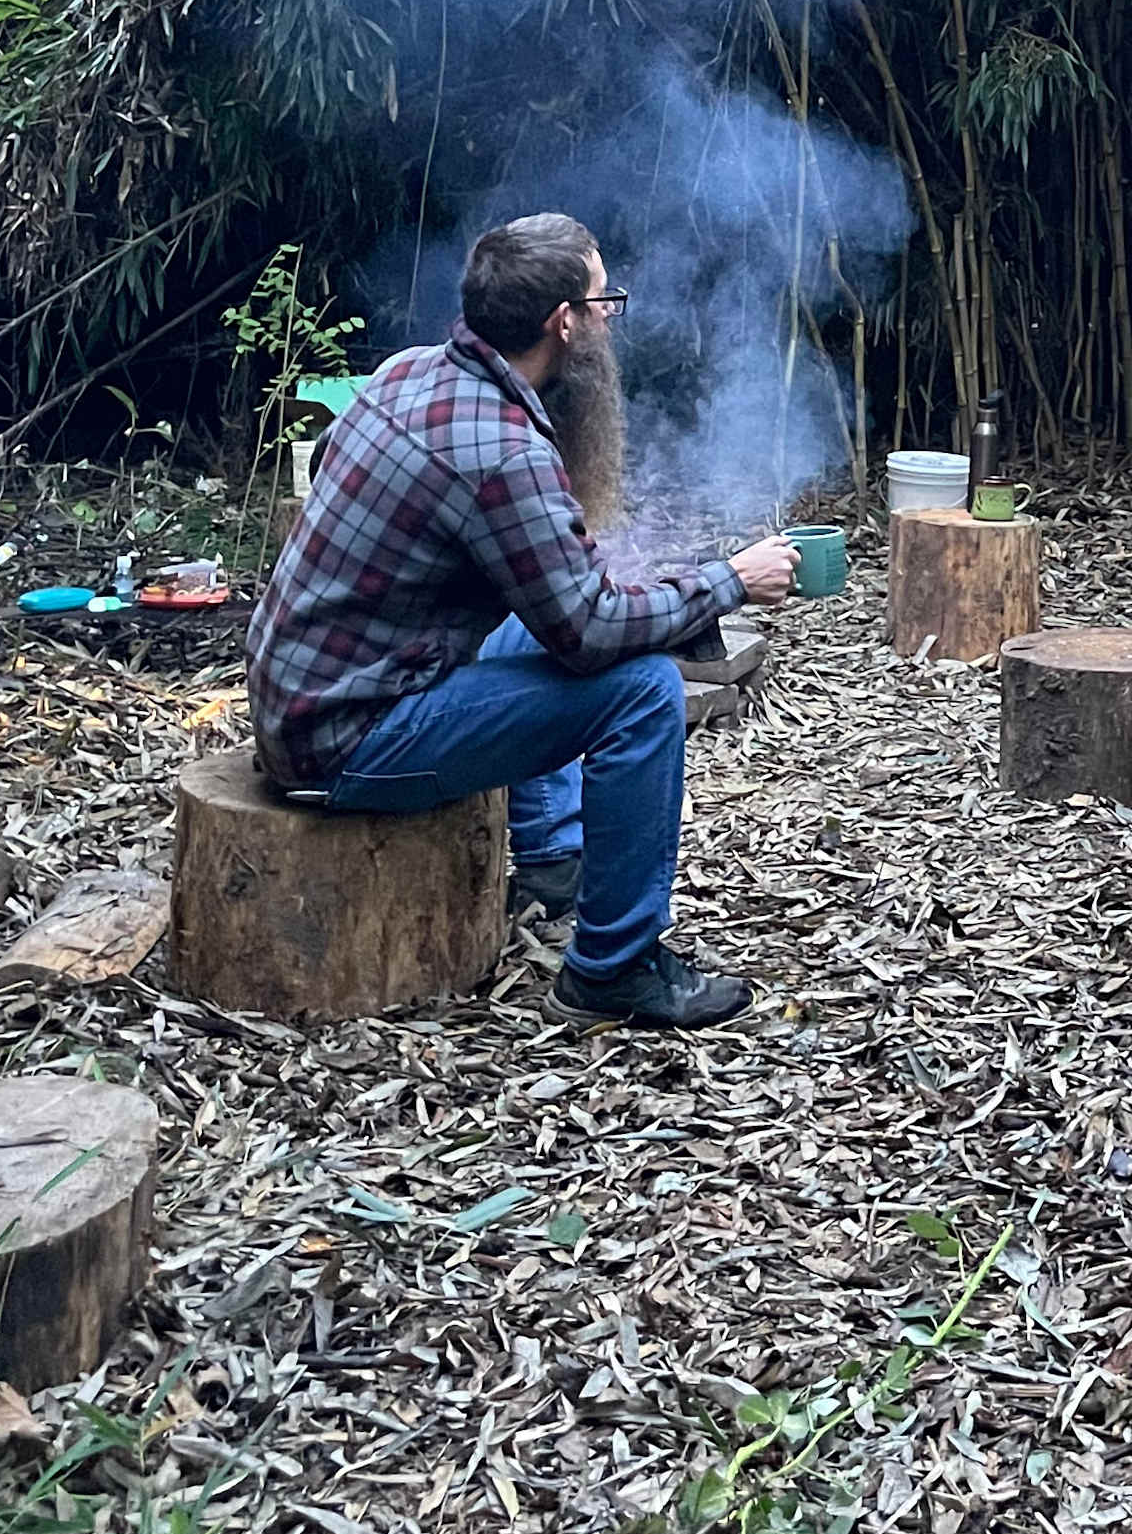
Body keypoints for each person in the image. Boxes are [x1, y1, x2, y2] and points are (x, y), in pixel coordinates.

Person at [245, 211, 797, 1031]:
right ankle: (612, 968)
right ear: (562, 323)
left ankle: (549, 862)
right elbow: (590, 631)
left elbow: (341, 474)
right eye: (604, 297)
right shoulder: (501, 450)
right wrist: (726, 583)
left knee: (536, 626)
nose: (612, 312)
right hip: (345, 738)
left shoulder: (408, 372)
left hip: (308, 686)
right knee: (641, 690)